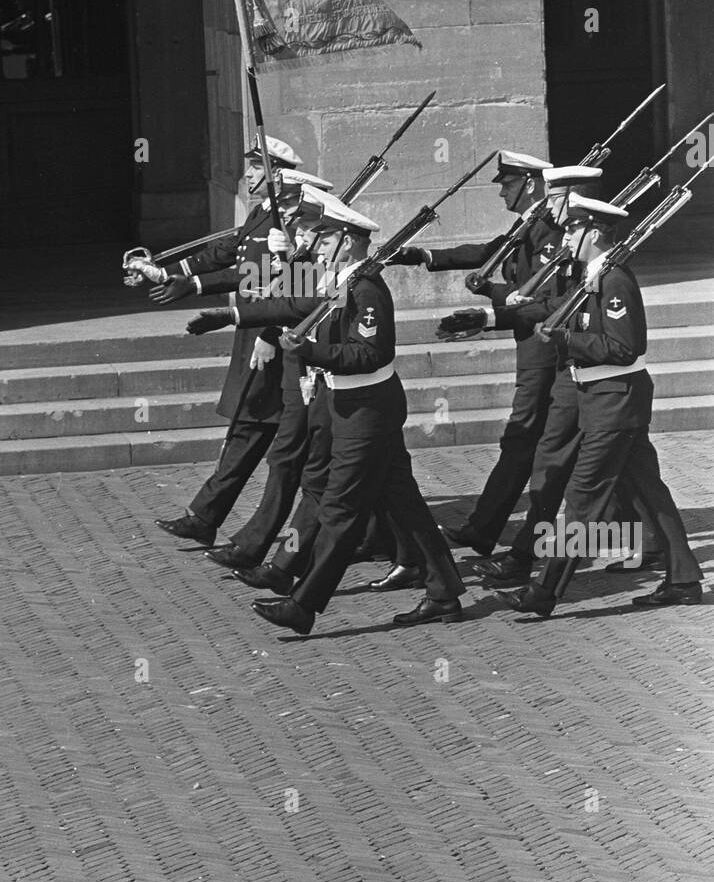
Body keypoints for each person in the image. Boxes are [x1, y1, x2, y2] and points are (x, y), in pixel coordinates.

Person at [240, 194, 464, 635]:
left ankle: (303, 605)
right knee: (404, 503)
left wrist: (309, 351)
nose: (316, 247)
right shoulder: (342, 282)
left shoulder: (365, 289)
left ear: (347, 241)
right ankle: (444, 592)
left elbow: (369, 352)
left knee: (339, 509)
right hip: (350, 406)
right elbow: (297, 308)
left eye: (324, 239)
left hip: (368, 411)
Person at [505, 194, 703, 618]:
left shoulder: (614, 281)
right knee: (649, 493)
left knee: (582, 498)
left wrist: (566, 341)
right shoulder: (592, 275)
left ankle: (543, 592)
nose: (568, 234)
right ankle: (684, 579)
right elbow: (563, 310)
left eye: (575, 228)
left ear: (594, 232)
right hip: (603, 400)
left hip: (615, 400)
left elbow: (626, 346)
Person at [390, 150, 559, 557]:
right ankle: (484, 529)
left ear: (530, 184)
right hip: (533, 344)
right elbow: (489, 251)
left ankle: (487, 531)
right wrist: (424, 256)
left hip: (544, 347)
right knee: (537, 443)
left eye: (508, 184)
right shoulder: (528, 225)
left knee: (525, 440)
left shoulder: (548, 230)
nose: (501, 193)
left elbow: (541, 299)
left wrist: (489, 302)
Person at [154, 136, 302, 546]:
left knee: (269, 436)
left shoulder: (290, 221)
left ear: (278, 173)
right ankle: (205, 515)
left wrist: (271, 334)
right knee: (250, 427)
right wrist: (166, 273)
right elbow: (227, 254)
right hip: (253, 331)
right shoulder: (261, 213)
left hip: (272, 336)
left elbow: (289, 282)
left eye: (257, 169)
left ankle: (374, 530)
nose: (247, 175)